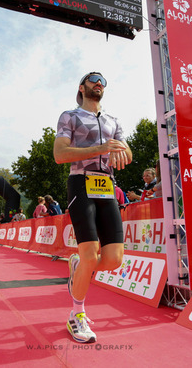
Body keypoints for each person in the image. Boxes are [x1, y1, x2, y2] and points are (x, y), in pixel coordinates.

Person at [53, 71, 132, 343]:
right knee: (90, 255)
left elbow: (127, 153)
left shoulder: (113, 120)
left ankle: (78, 266)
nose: (99, 83)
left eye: (103, 81)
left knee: (114, 259)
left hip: (107, 186)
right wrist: (100, 149)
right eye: (94, 78)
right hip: (81, 183)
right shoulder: (70, 116)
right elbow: (60, 154)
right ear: (82, 87)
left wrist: (120, 150)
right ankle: (77, 315)